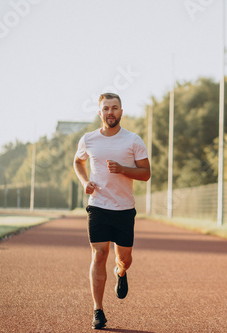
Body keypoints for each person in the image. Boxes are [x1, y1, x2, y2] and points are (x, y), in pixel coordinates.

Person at [73, 92, 150, 329]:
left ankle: (121, 271)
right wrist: (85, 182)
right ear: (100, 113)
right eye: (106, 108)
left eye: (115, 108)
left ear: (121, 112)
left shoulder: (133, 140)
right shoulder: (89, 139)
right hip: (98, 206)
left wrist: (123, 169)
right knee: (99, 255)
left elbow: (145, 174)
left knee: (124, 258)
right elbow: (78, 162)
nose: (110, 112)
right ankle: (98, 310)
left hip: (124, 209)